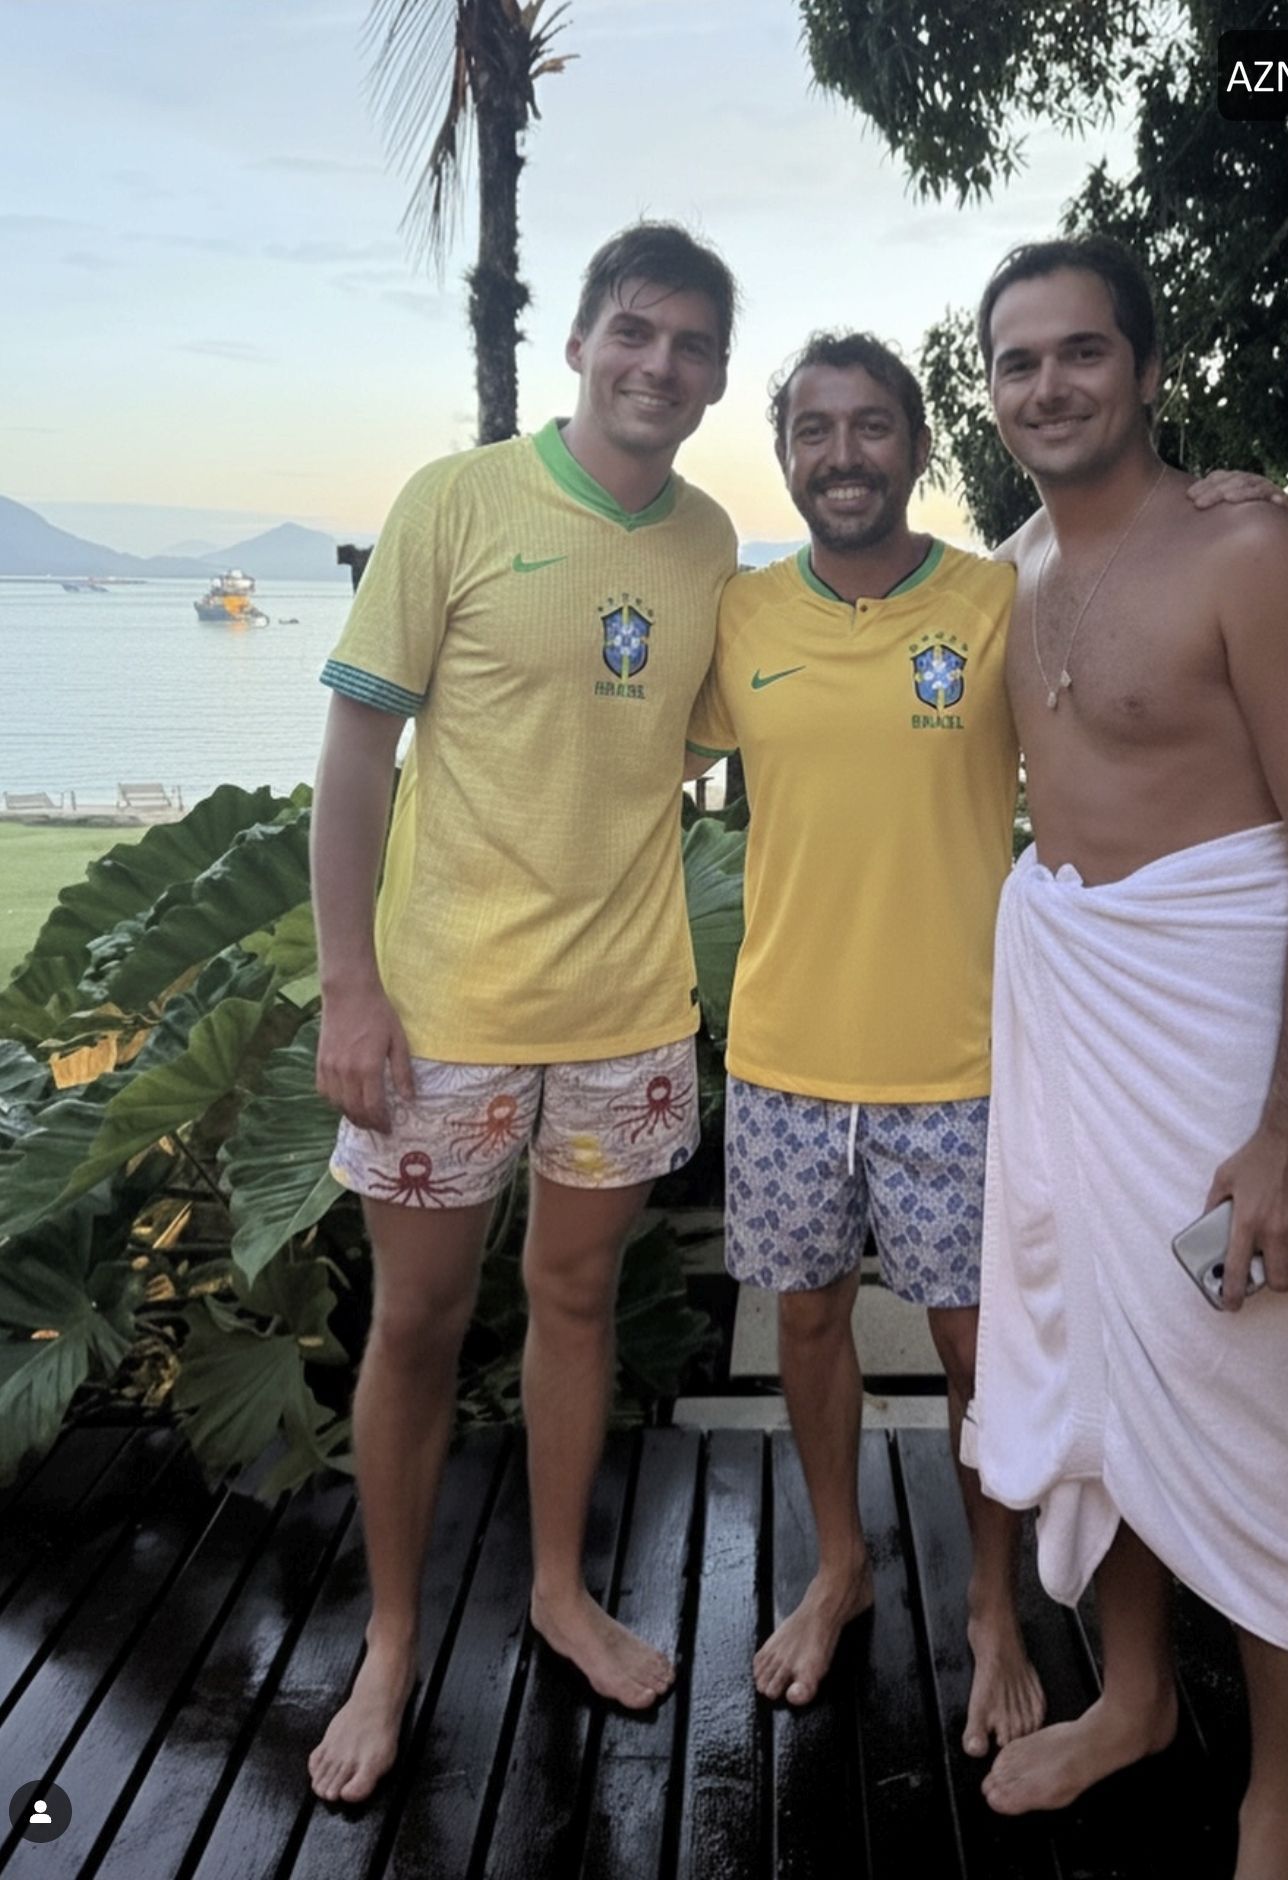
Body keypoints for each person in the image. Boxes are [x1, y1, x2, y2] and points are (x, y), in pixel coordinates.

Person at [683, 331, 1284, 1756]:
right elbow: (629, 751)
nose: (843, 454)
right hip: (782, 1056)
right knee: (807, 1324)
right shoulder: (742, 617)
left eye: (871, 426)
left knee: (981, 1354)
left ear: (914, 445)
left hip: (965, 1062)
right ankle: (840, 1567)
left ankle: (995, 1607)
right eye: (815, 429)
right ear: (785, 455)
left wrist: (1211, 499)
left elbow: (1108, 573)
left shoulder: (994, 595)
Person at [964, 236, 1288, 1880]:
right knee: (1097, 1373)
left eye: (1082, 351)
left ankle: (1275, 1799)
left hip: (1217, 1050)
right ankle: (1135, 1697)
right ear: (989, 393)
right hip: (1072, 1034)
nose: (1050, 385)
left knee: (1252, 1403)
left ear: (1147, 369)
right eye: (1017, 362)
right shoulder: (1008, 579)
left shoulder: (1245, 551)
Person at [306, 222, 737, 1805]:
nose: (659, 366)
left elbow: (700, 734)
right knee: (416, 1324)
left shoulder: (709, 542)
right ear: (578, 341)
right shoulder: (458, 501)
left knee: (577, 1304)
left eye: (692, 346)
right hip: (445, 1014)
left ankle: (559, 1592)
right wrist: (352, 988)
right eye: (636, 331)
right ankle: (393, 1640)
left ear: (716, 378)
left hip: (626, 1012)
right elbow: (356, 756)